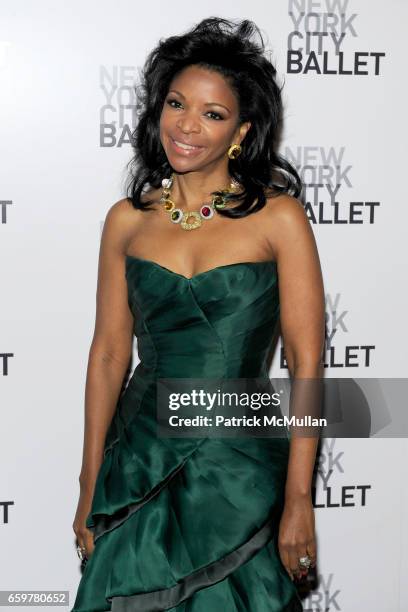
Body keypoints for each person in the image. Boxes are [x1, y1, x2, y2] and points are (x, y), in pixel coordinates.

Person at [71, 16, 325, 612]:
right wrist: (89, 482)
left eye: (213, 114)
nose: (187, 125)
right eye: (177, 104)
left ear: (242, 130)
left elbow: (307, 363)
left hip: (239, 461)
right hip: (139, 457)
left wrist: (298, 499)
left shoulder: (279, 219)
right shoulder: (126, 220)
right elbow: (109, 353)